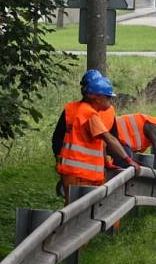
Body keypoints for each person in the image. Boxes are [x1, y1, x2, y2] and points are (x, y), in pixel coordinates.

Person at [56, 75, 140, 205]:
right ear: (96, 97)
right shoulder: (89, 114)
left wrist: (105, 162)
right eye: (108, 97)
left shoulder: (80, 110)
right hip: (80, 174)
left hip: (76, 172)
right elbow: (109, 139)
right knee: (79, 212)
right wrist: (129, 160)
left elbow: (99, 142)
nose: (110, 100)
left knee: (79, 210)